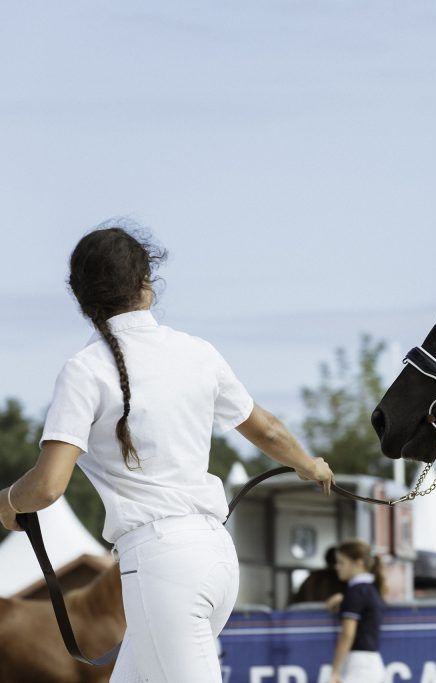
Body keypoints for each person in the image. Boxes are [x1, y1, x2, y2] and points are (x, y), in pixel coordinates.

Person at [0, 226, 335, 683]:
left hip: (161, 567)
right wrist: (309, 464)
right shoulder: (198, 352)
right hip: (215, 557)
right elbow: (269, 429)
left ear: (82, 300)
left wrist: (9, 501)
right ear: (146, 285)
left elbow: (49, 485)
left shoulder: (84, 370)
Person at [330, 539, 387, 683]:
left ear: (358, 563)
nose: (337, 567)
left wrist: (335, 669)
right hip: (371, 663)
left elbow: (348, 634)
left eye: (342, 562)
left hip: (360, 665)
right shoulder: (369, 589)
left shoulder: (356, 592)